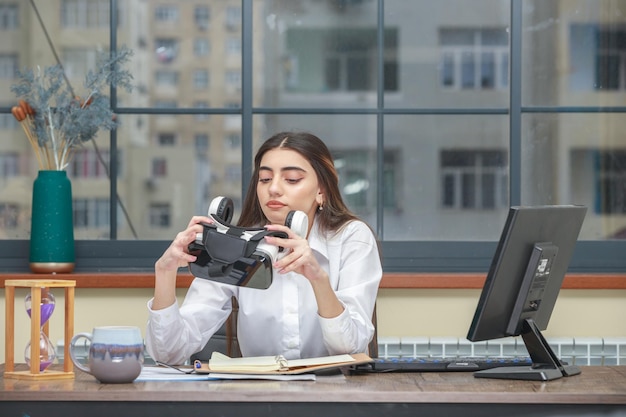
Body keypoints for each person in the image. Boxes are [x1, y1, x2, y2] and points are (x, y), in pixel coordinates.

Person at [145, 131, 382, 365]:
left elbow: (351, 349)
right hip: (258, 393)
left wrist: (319, 279)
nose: (274, 189)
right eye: (265, 179)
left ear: (322, 191)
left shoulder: (352, 238)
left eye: (291, 179)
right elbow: (169, 354)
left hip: (335, 394)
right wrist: (165, 272)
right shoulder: (235, 245)